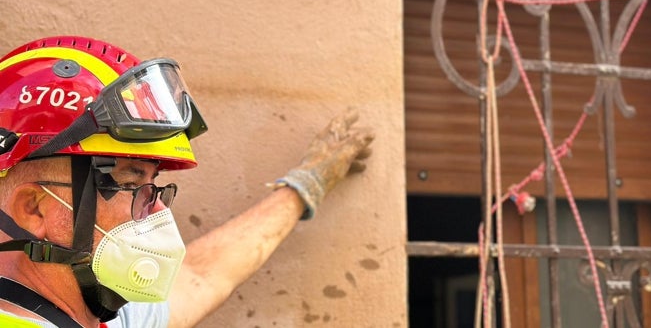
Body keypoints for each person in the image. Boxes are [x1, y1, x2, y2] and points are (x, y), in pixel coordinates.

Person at [0, 36, 374, 328]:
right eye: (133, 183)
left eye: (155, 187)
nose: (159, 211)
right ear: (35, 208)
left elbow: (203, 274)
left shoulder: (90, 315)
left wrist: (308, 181)